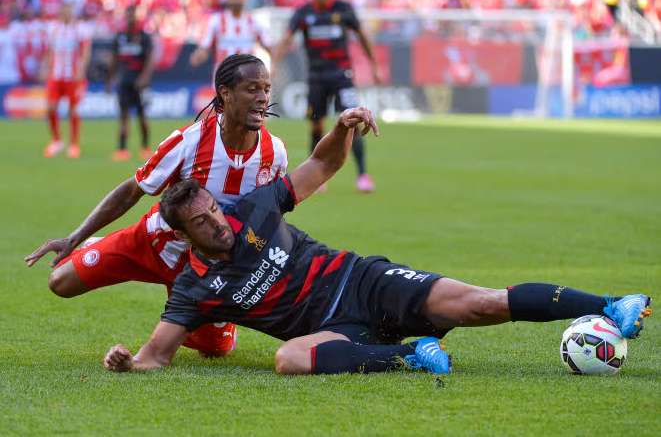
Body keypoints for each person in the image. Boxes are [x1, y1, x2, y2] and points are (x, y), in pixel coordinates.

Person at [101, 107, 652, 375]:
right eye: (203, 222)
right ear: (186, 235)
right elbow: (156, 356)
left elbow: (320, 164)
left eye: (215, 210)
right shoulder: (194, 287)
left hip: (362, 282)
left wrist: (341, 128)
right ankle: (410, 356)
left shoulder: (256, 209)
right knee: (290, 360)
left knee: (482, 305)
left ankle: (613, 306)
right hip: (332, 330)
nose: (218, 222)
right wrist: (127, 363)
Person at [26, 54, 289, 357]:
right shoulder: (189, 142)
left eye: (266, 89)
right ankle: (104, 244)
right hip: (153, 242)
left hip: (204, 271)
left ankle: (205, 320)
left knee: (215, 350)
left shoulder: (276, 154)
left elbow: (268, 218)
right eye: (252, 89)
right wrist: (75, 237)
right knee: (60, 282)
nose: (262, 98)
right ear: (225, 93)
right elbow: (132, 191)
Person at [273, 0, 381, 193]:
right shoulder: (304, 13)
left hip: (342, 76)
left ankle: (363, 175)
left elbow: (362, 35)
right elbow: (287, 38)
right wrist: (273, 66)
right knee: (316, 125)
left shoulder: (343, 9)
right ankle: (316, 177)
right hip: (317, 78)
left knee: (354, 122)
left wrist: (374, 64)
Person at [42, 3, 92, 159]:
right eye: (64, 10)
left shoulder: (80, 29)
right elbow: (50, 51)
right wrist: (45, 67)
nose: (67, 13)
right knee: (50, 108)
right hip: (56, 76)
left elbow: (85, 51)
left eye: (69, 10)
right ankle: (57, 140)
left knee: (74, 110)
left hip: (73, 76)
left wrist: (81, 70)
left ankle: (74, 144)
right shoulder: (53, 29)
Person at [107, 5, 155, 162]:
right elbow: (114, 59)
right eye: (128, 15)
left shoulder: (144, 37)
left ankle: (145, 147)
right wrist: (109, 79)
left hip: (140, 84)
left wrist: (144, 78)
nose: (130, 18)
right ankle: (122, 149)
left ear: (136, 17)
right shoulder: (119, 37)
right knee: (123, 116)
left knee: (142, 117)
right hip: (124, 83)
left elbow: (149, 59)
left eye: (132, 15)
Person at [189, 0, 270, 77]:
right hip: (224, 74)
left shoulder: (254, 21)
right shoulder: (217, 20)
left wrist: (274, 64)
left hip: (247, 75)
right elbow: (205, 47)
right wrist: (198, 56)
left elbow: (268, 46)